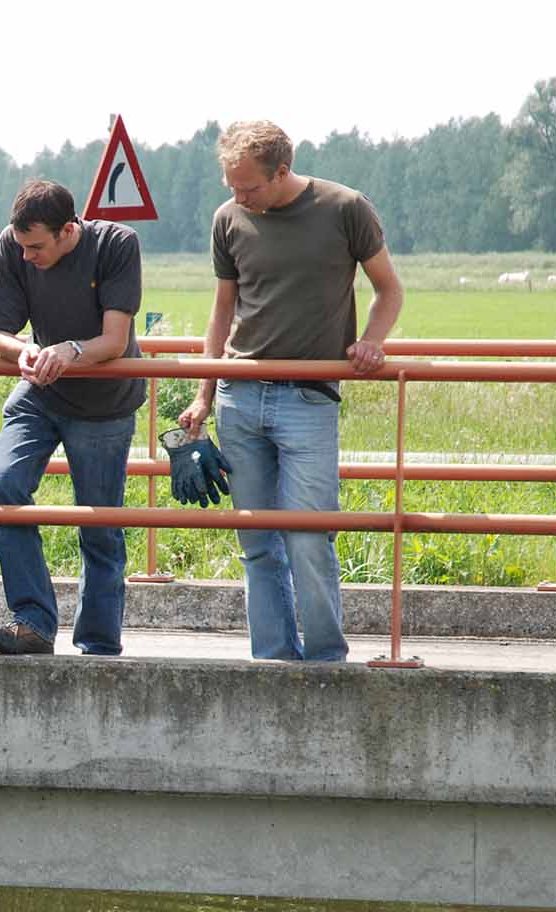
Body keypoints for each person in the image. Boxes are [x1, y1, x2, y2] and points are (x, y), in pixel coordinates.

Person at [177, 120, 404, 662]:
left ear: (282, 171)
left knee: (308, 537)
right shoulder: (228, 219)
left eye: (249, 187)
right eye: (231, 186)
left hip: (308, 399)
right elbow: (222, 311)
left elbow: (388, 289)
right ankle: (274, 661)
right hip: (239, 393)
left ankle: (327, 661)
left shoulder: (346, 208)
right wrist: (203, 396)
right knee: (257, 543)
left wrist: (371, 342)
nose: (239, 197)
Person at [0, 179, 144, 657]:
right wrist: (26, 351)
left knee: (98, 526)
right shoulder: (13, 246)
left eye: (37, 247)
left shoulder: (116, 245)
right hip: (40, 392)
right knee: (4, 489)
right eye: (22, 246)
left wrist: (70, 351)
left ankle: (97, 644)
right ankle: (32, 622)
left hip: (104, 403)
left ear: (69, 230)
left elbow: (114, 341)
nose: (27, 256)